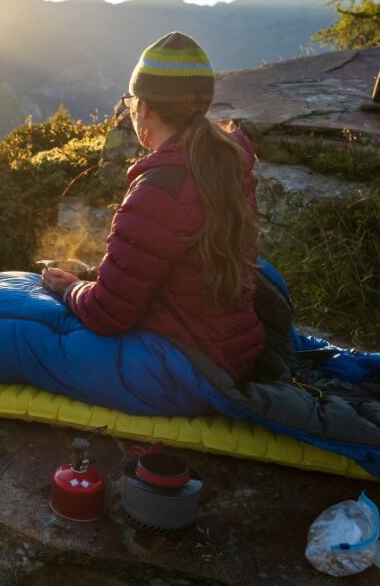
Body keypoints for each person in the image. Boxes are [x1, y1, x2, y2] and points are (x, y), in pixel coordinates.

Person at [41, 31, 264, 382]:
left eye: (131, 102)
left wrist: (69, 289)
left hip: (185, 367)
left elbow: (106, 315)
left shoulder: (159, 189)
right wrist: (98, 276)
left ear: (143, 107)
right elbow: (181, 266)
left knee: (30, 337)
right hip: (233, 350)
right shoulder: (225, 163)